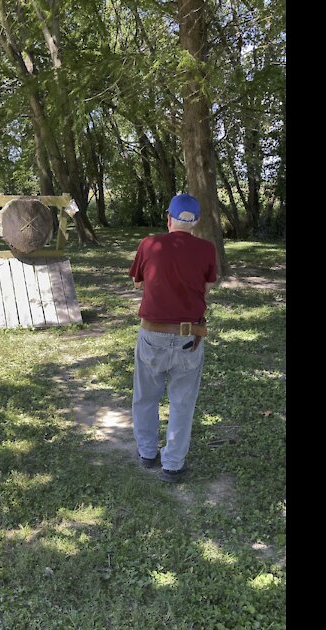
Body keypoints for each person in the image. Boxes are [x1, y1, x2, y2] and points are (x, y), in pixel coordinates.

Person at [128, 193, 218, 482]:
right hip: (189, 337)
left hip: (152, 333)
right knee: (182, 402)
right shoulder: (207, 249)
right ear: (197, 222)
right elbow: (205, 290)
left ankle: (147, 453)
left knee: (145, 397)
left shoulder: (148, 244)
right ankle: (173, 465)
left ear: (169, 218)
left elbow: (137, 280)